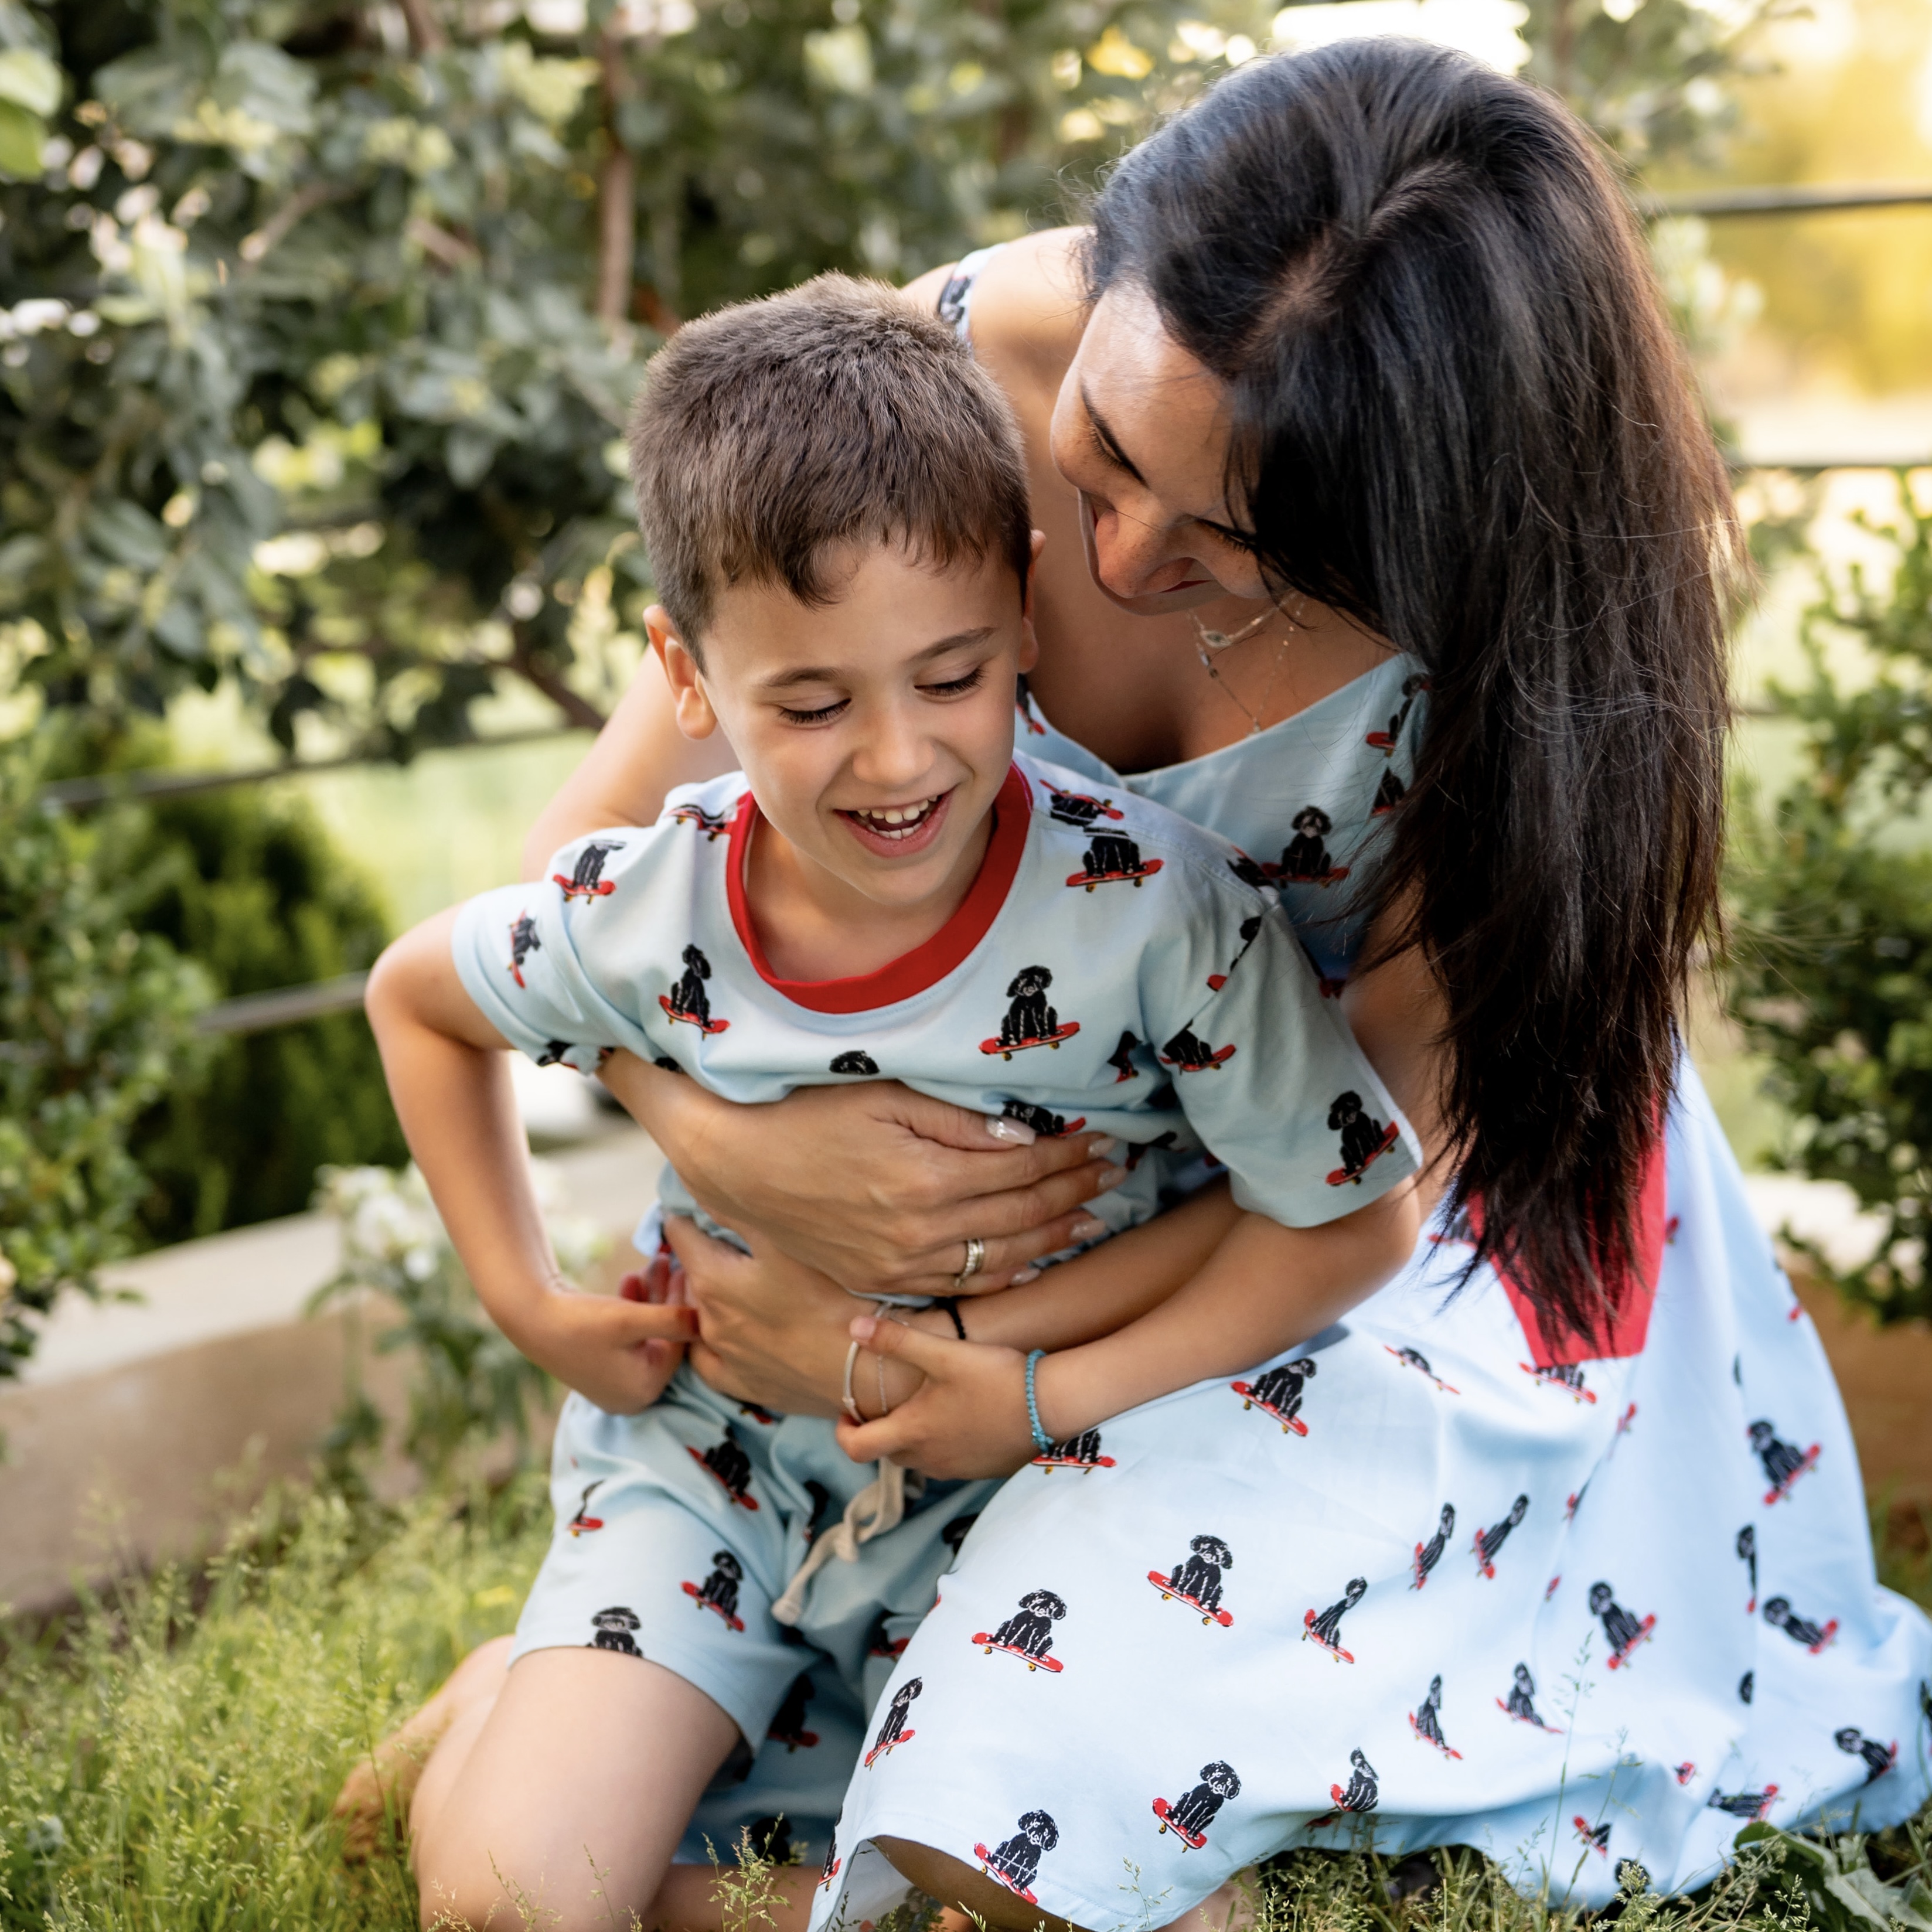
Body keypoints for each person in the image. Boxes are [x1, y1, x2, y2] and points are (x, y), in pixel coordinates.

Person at [363, 38, 1932, 1929]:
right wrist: (742, 1152)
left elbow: (1356, 1193)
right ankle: (627, 1750)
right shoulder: (940, 378)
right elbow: (596, 890)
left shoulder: (1509, 667)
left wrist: (996, 1375)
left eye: (1218, 549)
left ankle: (726, 1779)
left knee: (1086, 1742)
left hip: (1317, 1255)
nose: (1102, 557)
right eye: (1098, 457)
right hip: (984, 1227)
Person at [360, 274, 1422, 1931]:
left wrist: (1038, 1385)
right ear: (686, 674)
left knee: (1131, 1901)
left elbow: (1350, 1206)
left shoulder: (1158, 918)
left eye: (949, 676)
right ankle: (525, 1725)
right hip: (716, 1462)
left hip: (1039, 1475)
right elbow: (417, 994)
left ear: (1022, 608)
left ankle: (742, 1823)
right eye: (807, 702)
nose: (894, 759)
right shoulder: (658, 904)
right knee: (510, 1903)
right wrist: (529, 1301)